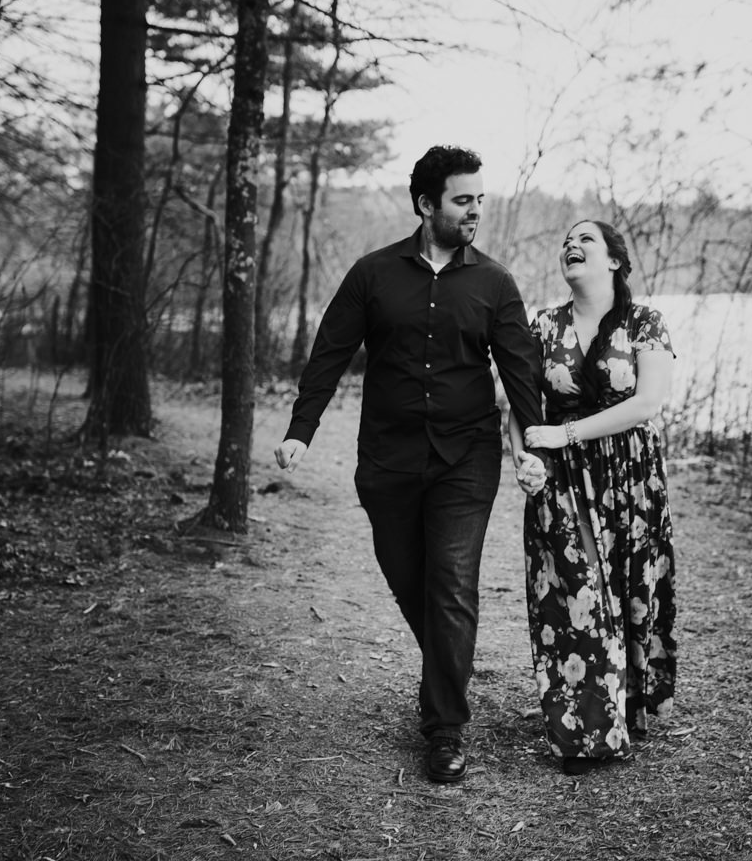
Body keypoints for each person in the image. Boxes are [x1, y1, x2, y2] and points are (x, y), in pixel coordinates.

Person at [274, 145, 546, 785]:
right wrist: (301, 431)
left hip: (465, 460)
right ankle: (448, 668)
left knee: (451, 584)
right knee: (409, 581)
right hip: (388, 461)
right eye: (462, 199)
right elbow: (329, 352)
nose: (475, 210)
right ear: (426, 204)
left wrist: (530, 446)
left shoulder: (495, 283)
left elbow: (520, 371)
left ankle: (445, 727)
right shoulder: (372, 275)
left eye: (480, 198)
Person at [507, 219, 678, 776]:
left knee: (631, 594)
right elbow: (520, 405)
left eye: (586, 239)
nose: (571, 246)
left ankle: (629, 703)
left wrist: (568, 433)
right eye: (566, 240)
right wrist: (525, 460)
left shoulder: (644, 321)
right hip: (561, 481)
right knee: (574, 595)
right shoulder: (544, 325)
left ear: (613, 261)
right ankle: (586, 732)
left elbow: (647, 402)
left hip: (631, 478)